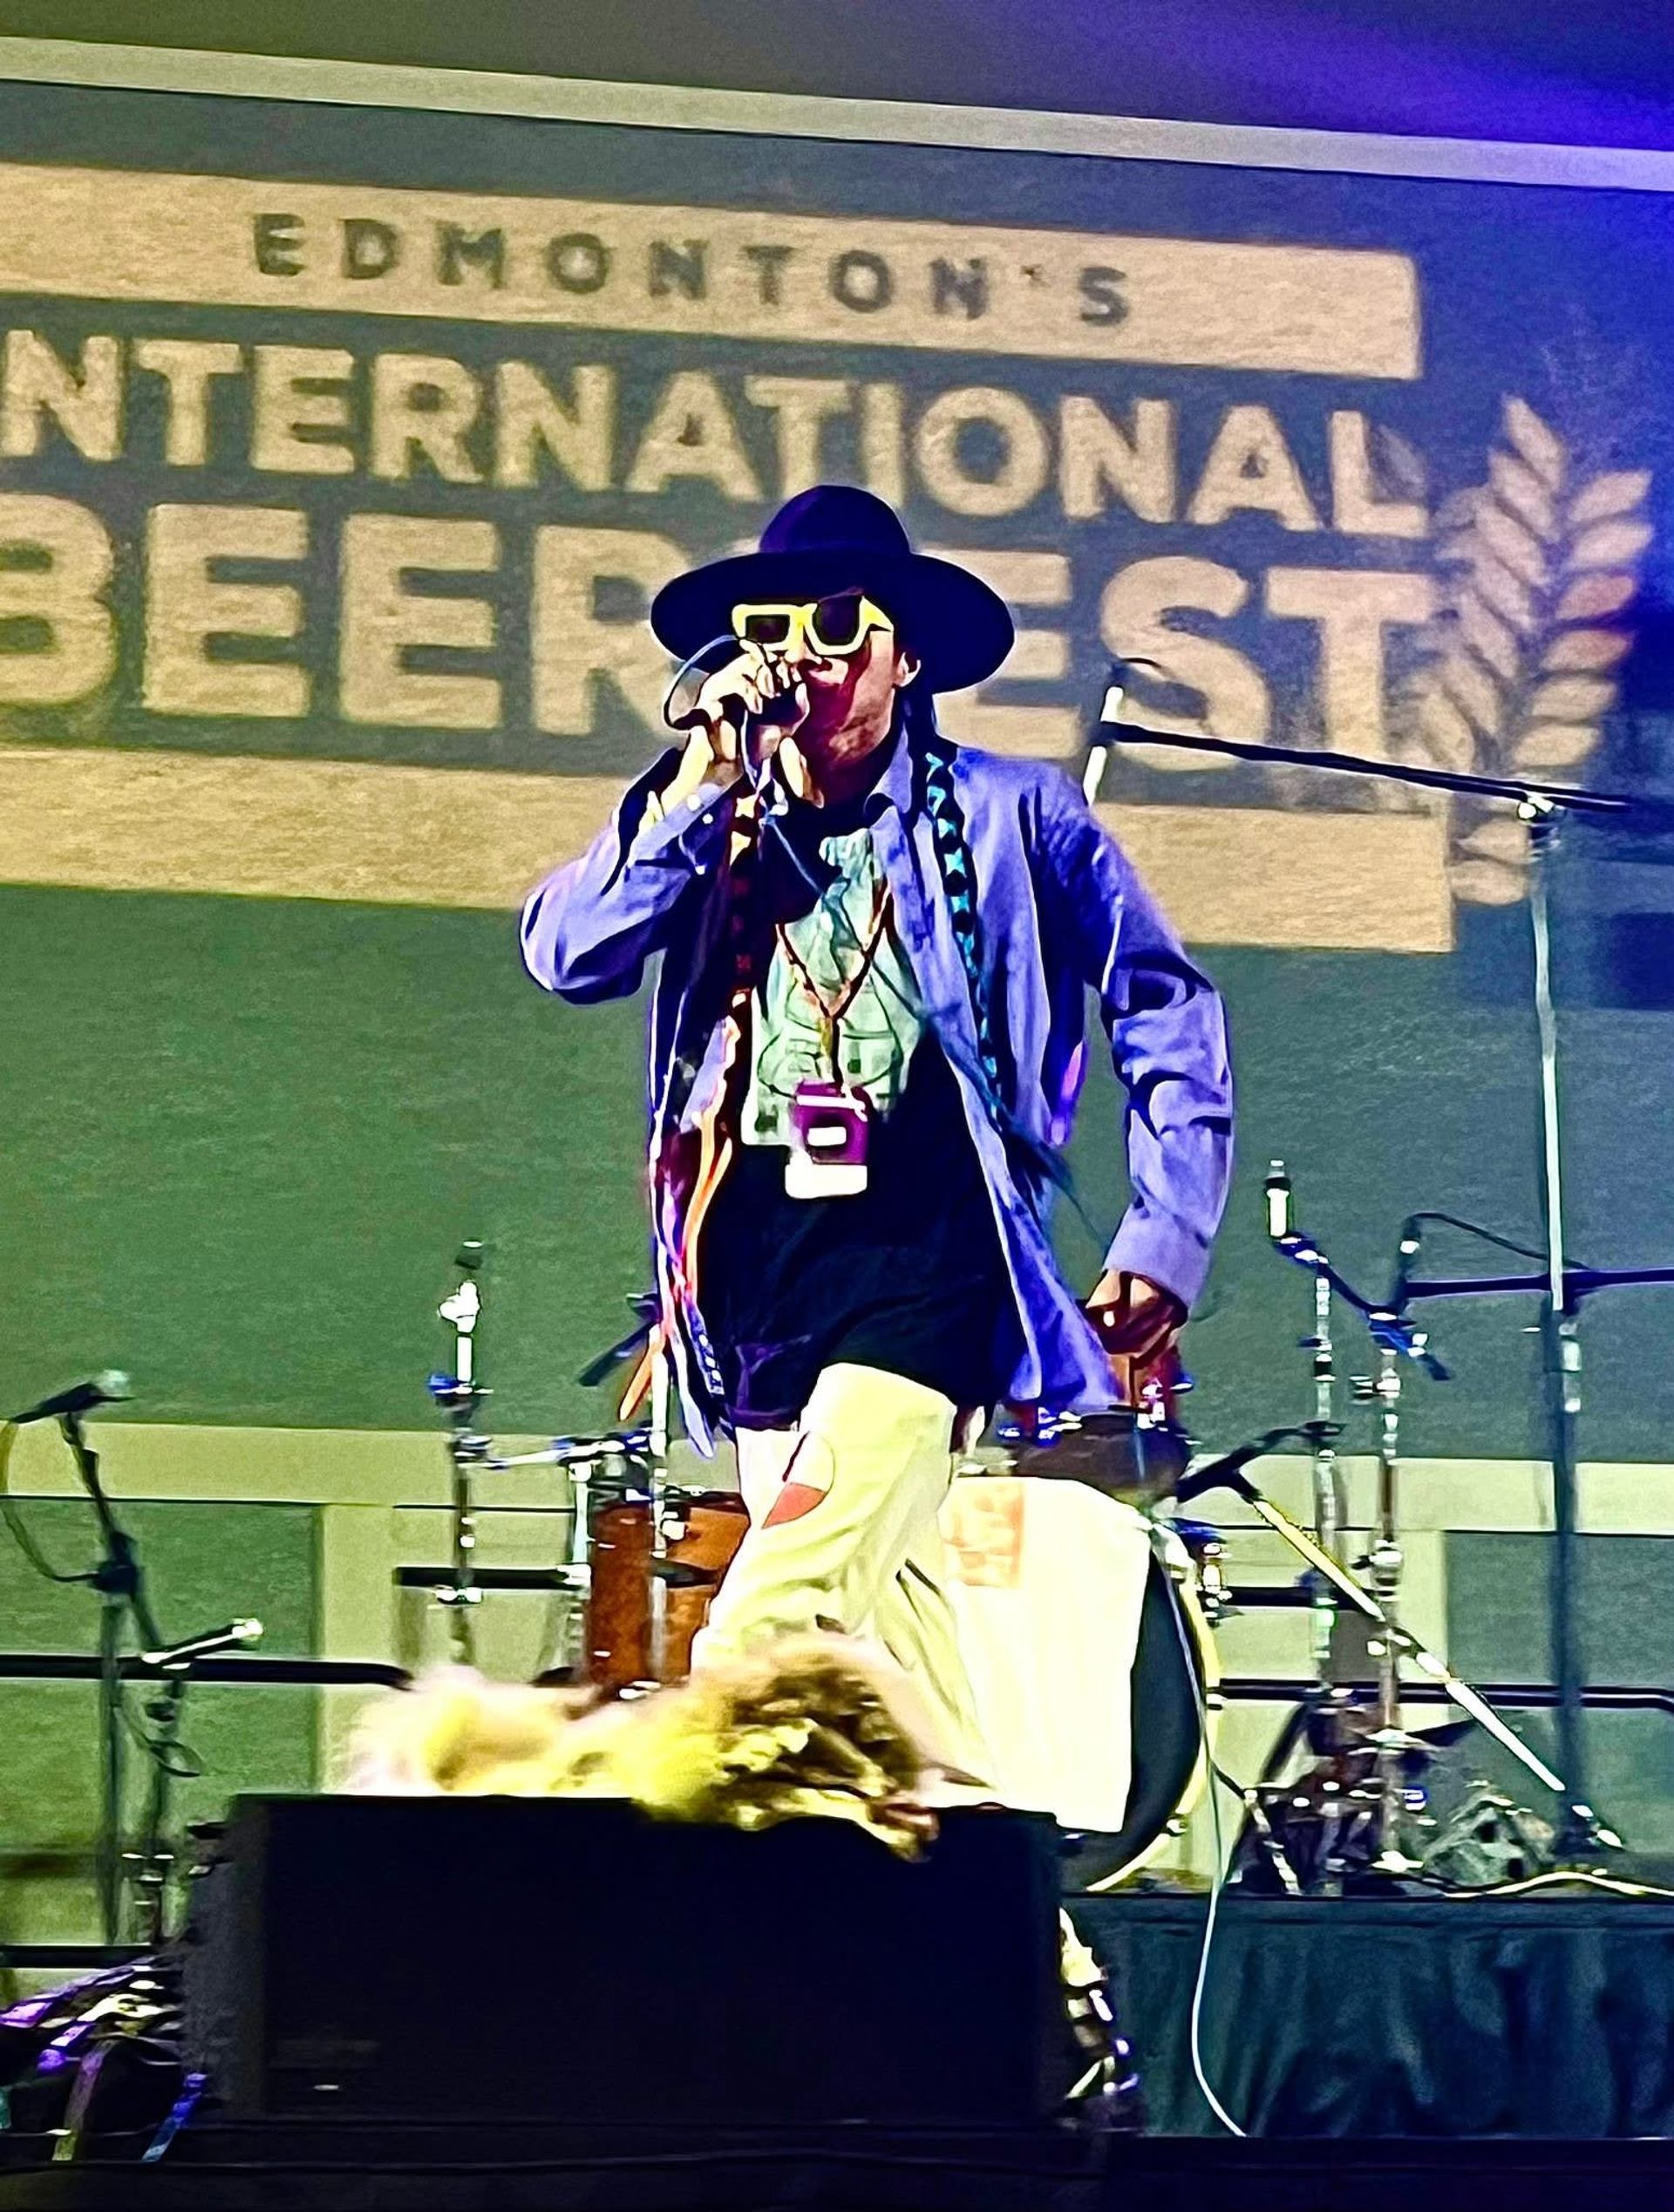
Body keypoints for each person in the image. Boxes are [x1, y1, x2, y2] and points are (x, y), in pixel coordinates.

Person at [520, 486, 1233, 1779]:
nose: (806, 654)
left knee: (765, 1626)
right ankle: (1029, 1957)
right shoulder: (708, 823)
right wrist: (694, 783)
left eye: (843, 625)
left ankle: (717, 1942)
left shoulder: (1019, 816)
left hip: (929, 1272)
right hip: (756, 1283)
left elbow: (1165, 1007)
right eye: (774, 624)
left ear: (905, 657)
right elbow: (567, 952)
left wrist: (1166, 1229)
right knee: (898, 1687)